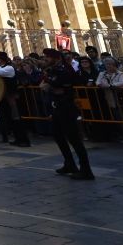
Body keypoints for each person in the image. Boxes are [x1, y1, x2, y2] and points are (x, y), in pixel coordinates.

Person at [42, 49, 94, 180]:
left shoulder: (64, 70)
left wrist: (51, 86)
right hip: (56, 107)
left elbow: (56, 88)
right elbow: (45, 85)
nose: (45, 59)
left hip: (66, 108)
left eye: (48, 57)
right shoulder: (53, 70)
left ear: (57, 58)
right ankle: (69, 163)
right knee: (58, 136)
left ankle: (86, 170)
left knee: (74, 139)